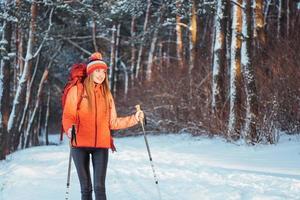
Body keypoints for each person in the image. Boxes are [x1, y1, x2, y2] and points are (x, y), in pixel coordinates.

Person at [62, 52, 144, 200]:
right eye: (97, 71)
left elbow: (113, 122)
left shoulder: (107, 95)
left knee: (100, 188)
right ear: (90, 72)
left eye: (104, 72)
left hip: (101, 145)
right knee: (86, 188)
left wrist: (135, 119)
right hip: (79, 145)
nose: (101, 75)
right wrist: (69, 129)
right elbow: (68, 115)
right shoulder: (77, 90)